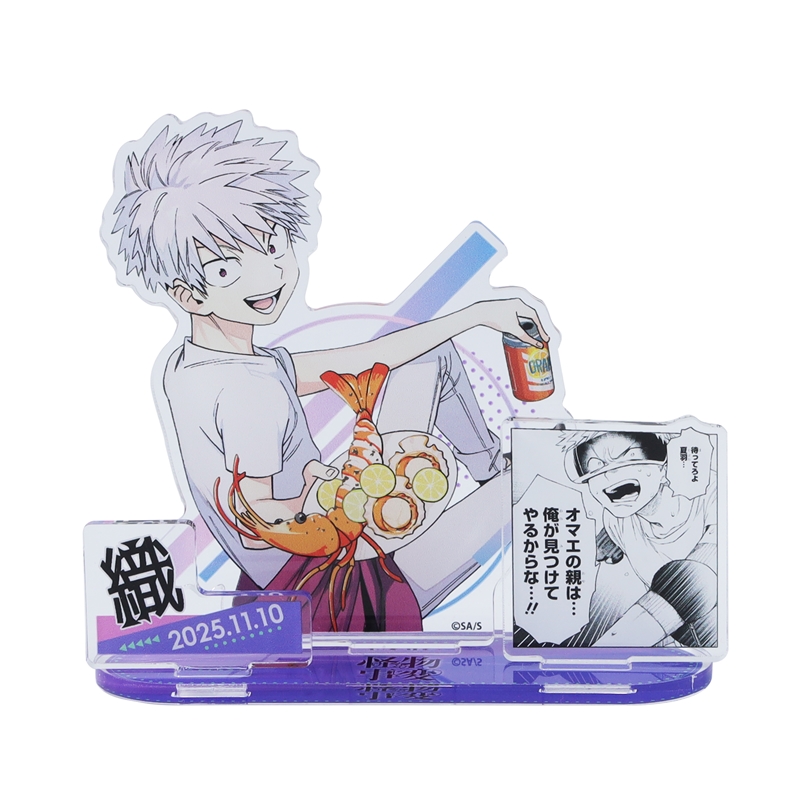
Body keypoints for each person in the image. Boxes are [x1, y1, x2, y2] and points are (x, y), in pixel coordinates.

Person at [103, 112, 548, 632]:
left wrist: (474, 316)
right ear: (188, 294)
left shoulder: (199, 363)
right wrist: (335, 492)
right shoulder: (251, 393)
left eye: (272, 245)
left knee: (428, 356)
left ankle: (489, 467)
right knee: (535, 486)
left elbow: (360, 361)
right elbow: (254, 526)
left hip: (311, 547)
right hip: (335, 587)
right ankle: (500, 476)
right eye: (225, 268)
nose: (267, 273)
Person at [561, 430, 718, 647]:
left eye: (629, 458)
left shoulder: (711, 491)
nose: (609, 475)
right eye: (595, 467)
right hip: (686, 647)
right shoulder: (616, 520)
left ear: (664, 465)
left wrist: (603, 655)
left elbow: (700, 576)